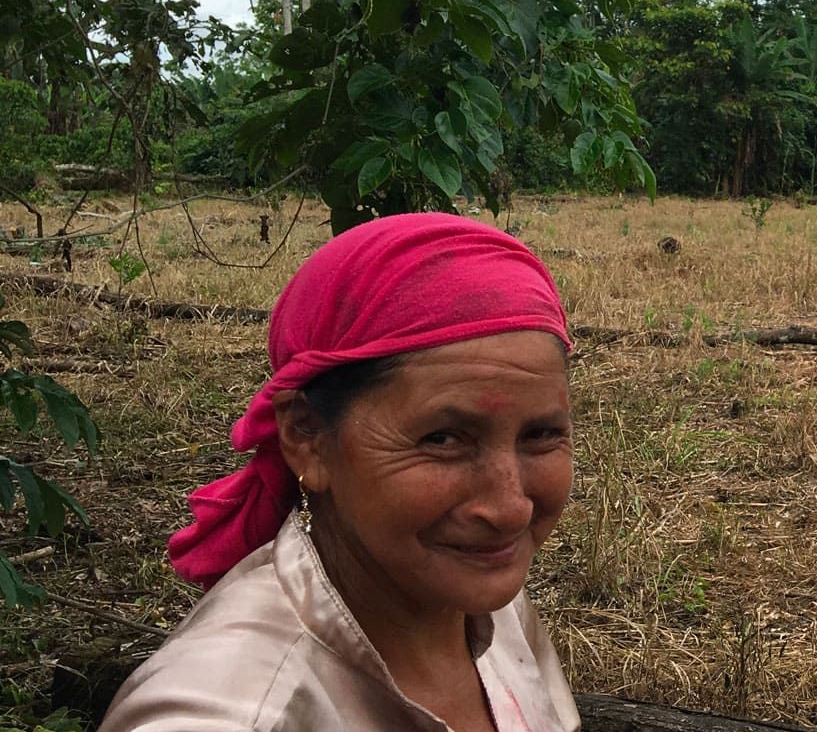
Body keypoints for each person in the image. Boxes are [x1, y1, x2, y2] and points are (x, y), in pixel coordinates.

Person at [101, 213, 581, 731]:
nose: (511, 509)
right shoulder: (224, 712)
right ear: (306, 437)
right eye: (442, 440)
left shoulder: (480, 603)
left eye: (541, 435)